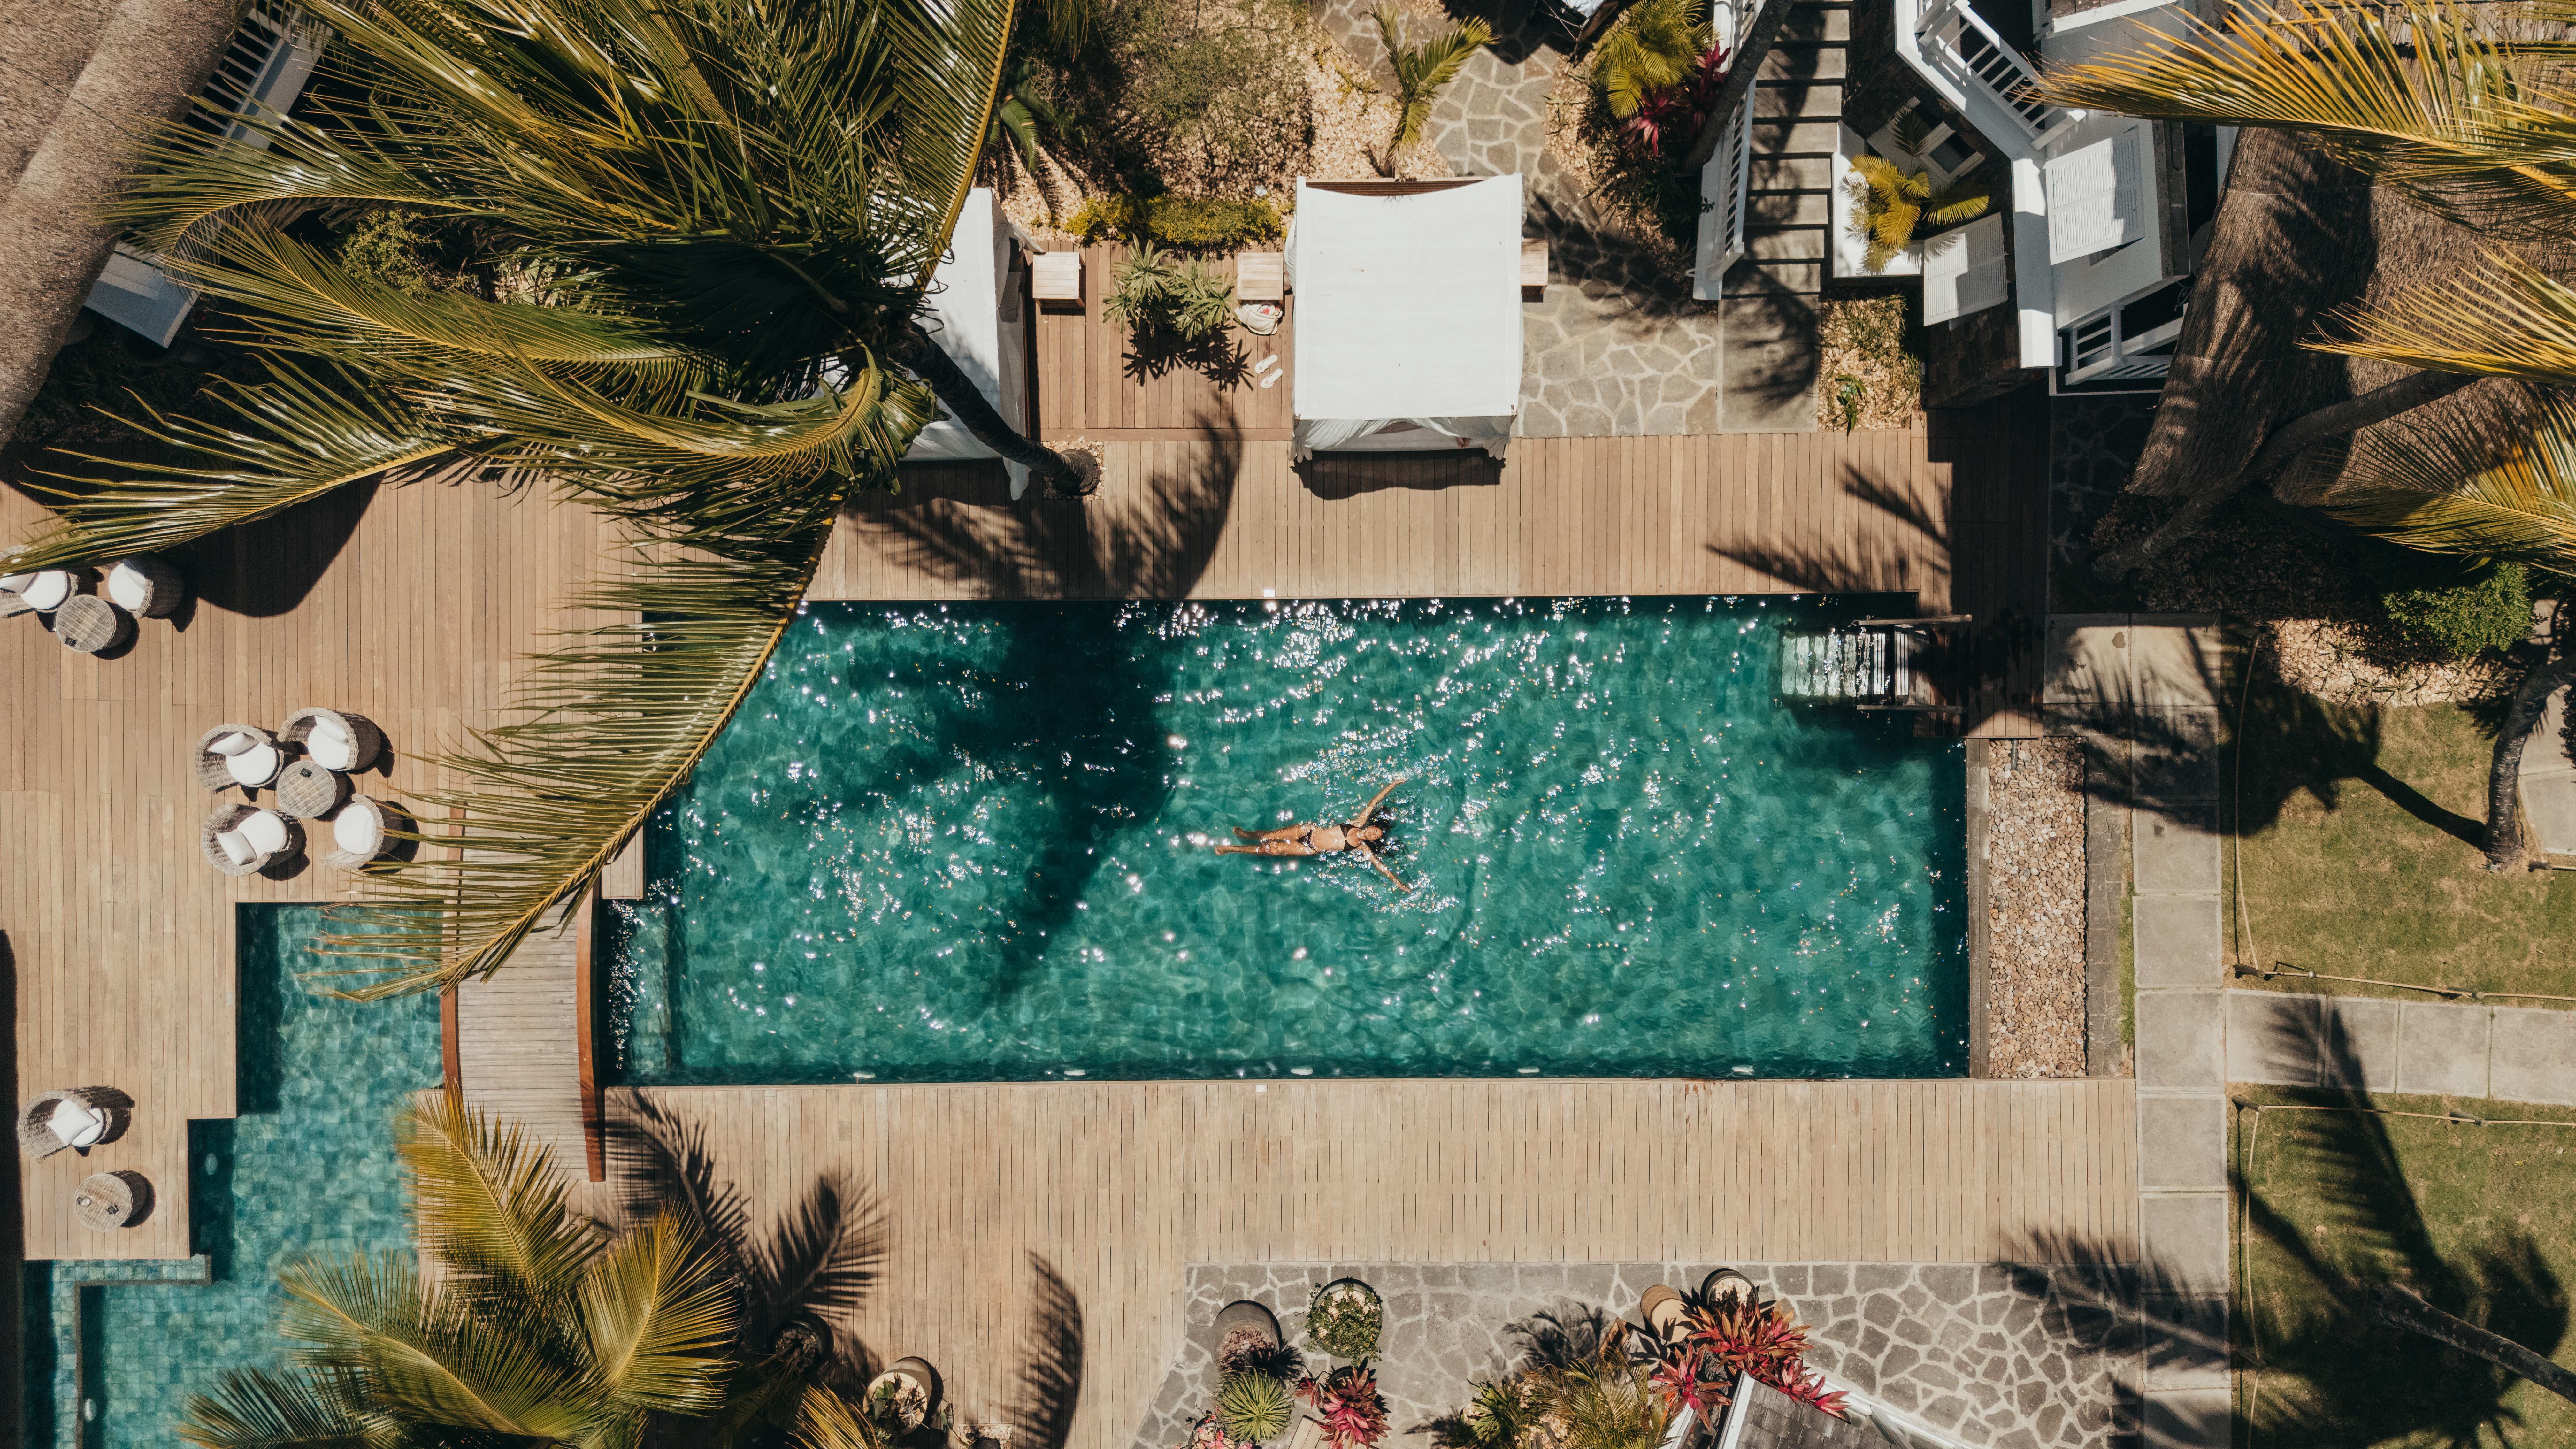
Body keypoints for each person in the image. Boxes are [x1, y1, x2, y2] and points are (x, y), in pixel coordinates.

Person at [1214, 778, 1410, 891]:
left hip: (1308, 848)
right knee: (1268, 836)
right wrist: (1393, 785)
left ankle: (1233, 849)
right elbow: (1375, 801)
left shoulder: (1361, 849)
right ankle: (1248, 834)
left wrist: (1398, 883)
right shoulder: (1358, 822)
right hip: (1308, 831)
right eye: (1374, 830)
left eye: (1375, 836)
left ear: (1372, 840)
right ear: (1371, 826)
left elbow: (1381, 867)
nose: (1372, 833)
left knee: (1269, 849)